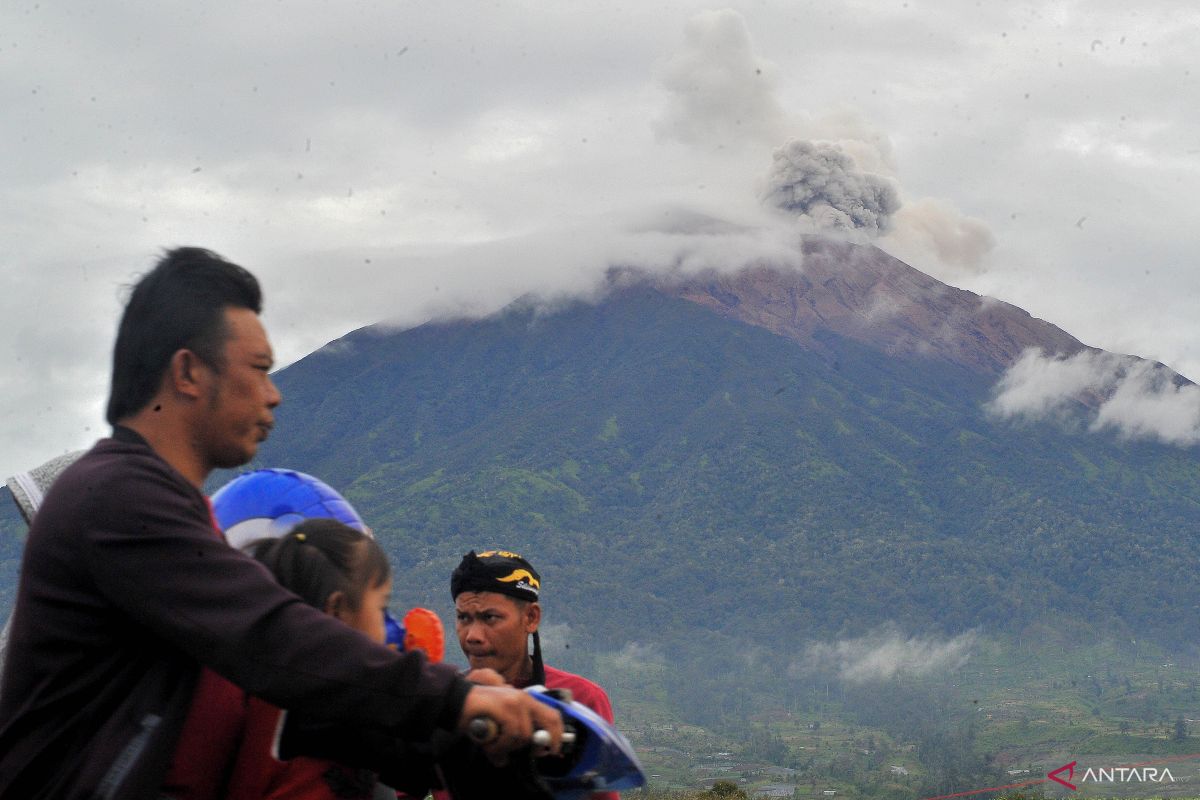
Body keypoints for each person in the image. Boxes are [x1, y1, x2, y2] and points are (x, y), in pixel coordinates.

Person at [0, 247, 560, 799]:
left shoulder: (158, 505)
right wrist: (451, 700)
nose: (274, 395)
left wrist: (431, 737)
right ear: (189, 372)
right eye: (259, 370)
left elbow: (267, 704)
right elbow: (269, 636)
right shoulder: (119, 498)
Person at [226, 518, 394, 800]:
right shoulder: (326, 717)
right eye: (382, 608)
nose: (389, 627)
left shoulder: (256, 697)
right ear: (336, 610)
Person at [450, 549, 619, 800]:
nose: (473, 635)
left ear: (530, 618)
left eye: (490, 618)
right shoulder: (442, 702)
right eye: (463, 618)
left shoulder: (583, 700)